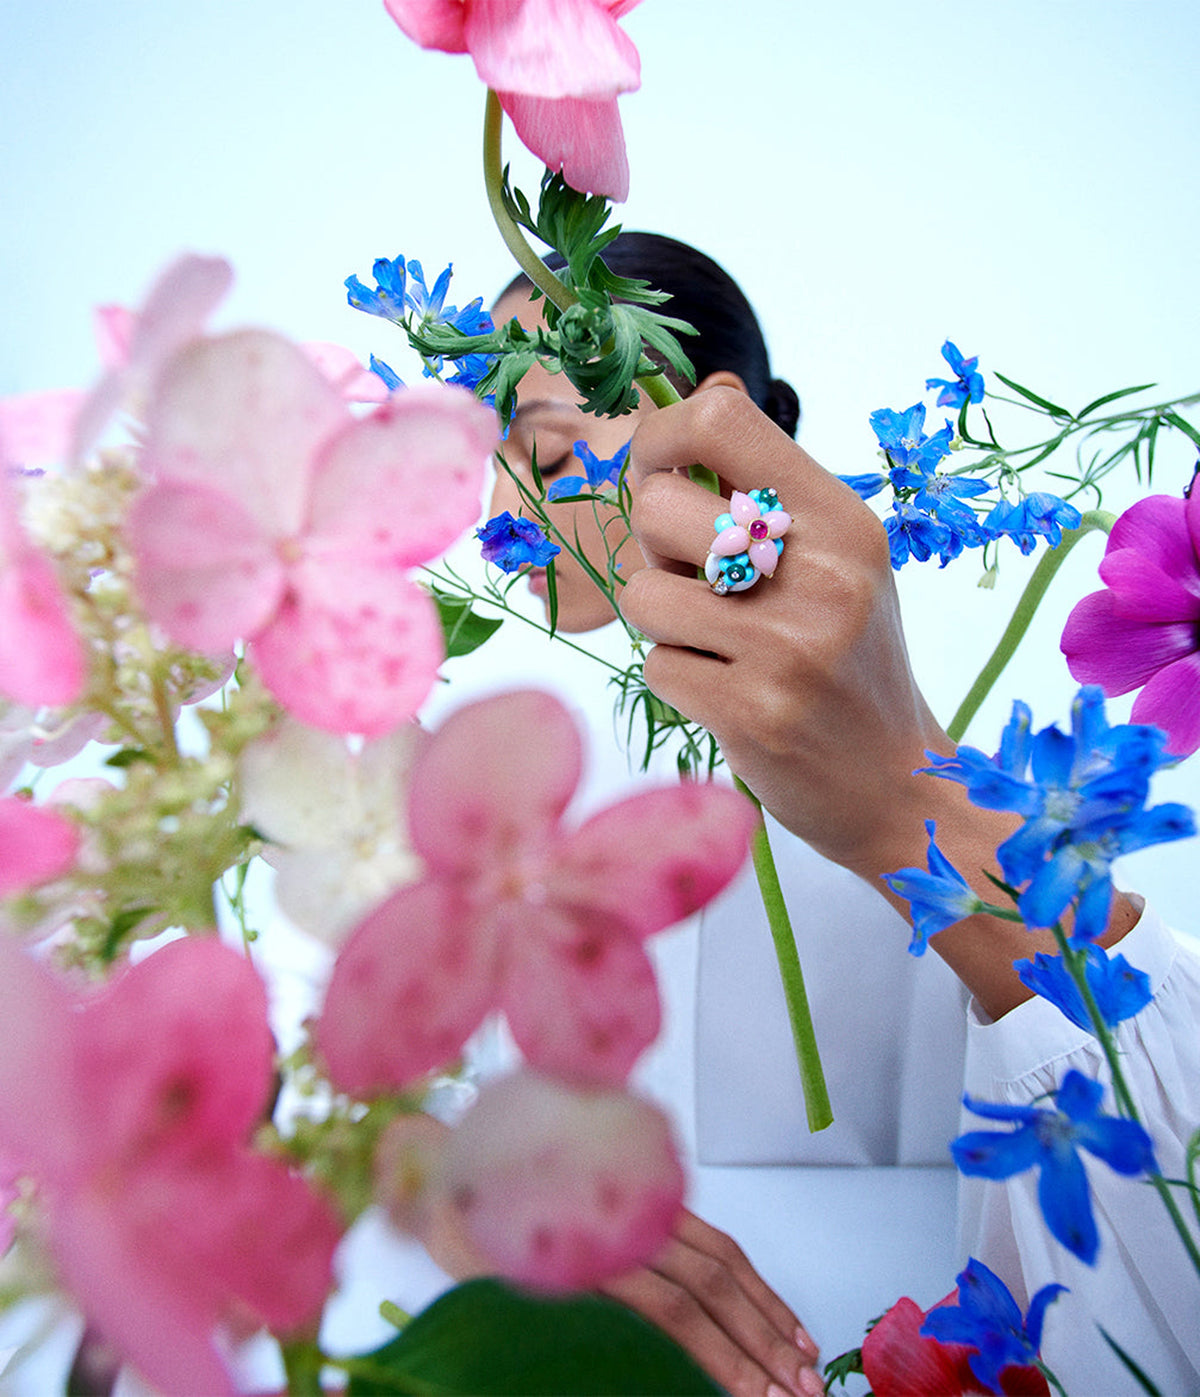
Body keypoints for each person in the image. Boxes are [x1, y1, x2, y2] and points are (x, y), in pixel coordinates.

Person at [488, 234, 1200, 1391]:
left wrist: (896, 793)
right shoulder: (547, 811)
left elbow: (1155, 1229)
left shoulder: (942, 788)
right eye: (483, 452)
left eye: (541, 442)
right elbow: (386, 1091)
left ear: (718, 426)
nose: (494, 500)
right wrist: (475, 1194)